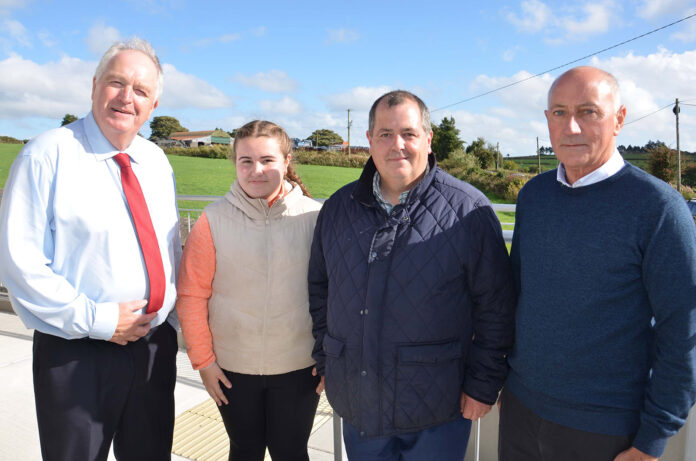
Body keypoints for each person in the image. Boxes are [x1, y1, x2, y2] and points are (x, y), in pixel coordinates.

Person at [499, 66, 696, 461]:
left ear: (618, 119)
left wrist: (652, 439)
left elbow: (683, 332)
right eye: (559, 112)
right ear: (547, 120)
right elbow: (518, 294)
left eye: (588, 112)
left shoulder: (658, 208)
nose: (571, 127)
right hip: (520, 410)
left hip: (605, 428)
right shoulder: (534, 196)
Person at [308, 90, 516, 460]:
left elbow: (496, 308)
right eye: (385, 134)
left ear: (428, 139)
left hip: (438, 409)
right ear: (369, 140)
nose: (397, 145)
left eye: (409, 133)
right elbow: (320, 291)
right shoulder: (338, 208)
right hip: (359, 405)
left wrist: (483, 384)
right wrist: (327, 361)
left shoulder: (469, 210)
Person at [0, 37, 181, 460]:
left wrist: (170, 321)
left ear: (153, 105)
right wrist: (100, 320)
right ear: (95, 85)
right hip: (78, 349)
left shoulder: (157, 161)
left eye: (141, 90)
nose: (126, 97)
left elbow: (170, 250)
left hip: (153, 348)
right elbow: (20, 263)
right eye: (117, 82)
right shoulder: (46, 155)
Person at [176, 120, 322, 461]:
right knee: (245, 451)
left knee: (291, 452)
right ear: (235, 163)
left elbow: (334, 294)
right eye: (246, 161)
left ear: (286, 161)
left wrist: (330, 356)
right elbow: (192, 295)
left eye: (267, 160)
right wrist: (204, 362)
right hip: (232, 370)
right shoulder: (212, 220)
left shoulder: (317, 218)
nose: (257, 170)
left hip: (299, 367)